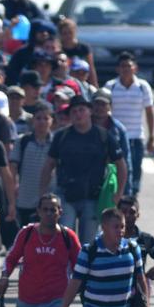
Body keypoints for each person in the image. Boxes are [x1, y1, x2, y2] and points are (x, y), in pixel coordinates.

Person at [38, 96, 125, 244]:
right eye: (74, 111)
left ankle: (86, 267)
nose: (78, 114)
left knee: (88, 244)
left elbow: (121, 165)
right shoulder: (61, 136)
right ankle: (67, 268)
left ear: (90, 111)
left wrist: (118, 194)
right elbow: (49, 165)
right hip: (65, 196)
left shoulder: (104, 136)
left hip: (93, 198)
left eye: (81, 110)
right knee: (65, 240)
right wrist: (42, 195)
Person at [103, 52, 154, 198]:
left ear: (135, 68)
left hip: (136, 136)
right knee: (116, 169)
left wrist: (152, 137)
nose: (125, 69)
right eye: (122, 66)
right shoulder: (110, 86)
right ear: (117, 69)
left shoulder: (143, 87)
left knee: (135, 170)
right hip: (116, 137)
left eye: (129, 66)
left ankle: (131, 199)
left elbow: (149, 112)